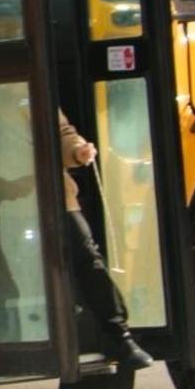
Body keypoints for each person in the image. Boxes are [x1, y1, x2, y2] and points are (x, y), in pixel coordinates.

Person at [57, 111, 154, 370]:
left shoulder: (31, 93)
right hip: (5, 198)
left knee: (89, 261)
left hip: (54, 196)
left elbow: (62, 133)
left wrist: (78, 150)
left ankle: (118, 336)